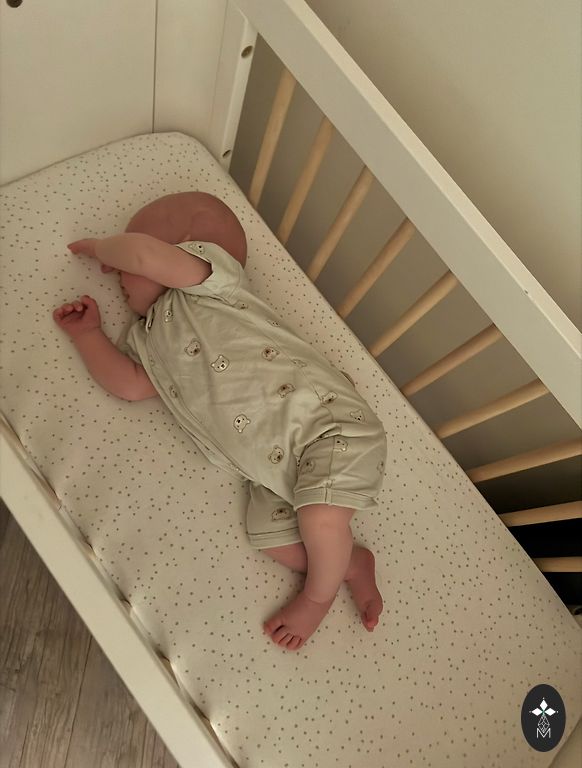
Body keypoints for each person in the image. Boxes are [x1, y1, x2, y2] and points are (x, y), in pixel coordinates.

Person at [53, 193, 387, 652]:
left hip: (325, 429)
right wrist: (89, 336)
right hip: (268, 474)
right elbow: (129, 384)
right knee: (269, 538)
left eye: (126, 257)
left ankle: (316, 598)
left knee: (320, 519)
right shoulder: (148, 338)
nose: (115, 276)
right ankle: (349, 564)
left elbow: (145, 256)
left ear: (188, 245)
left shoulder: (212, 284)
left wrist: (102, 247)